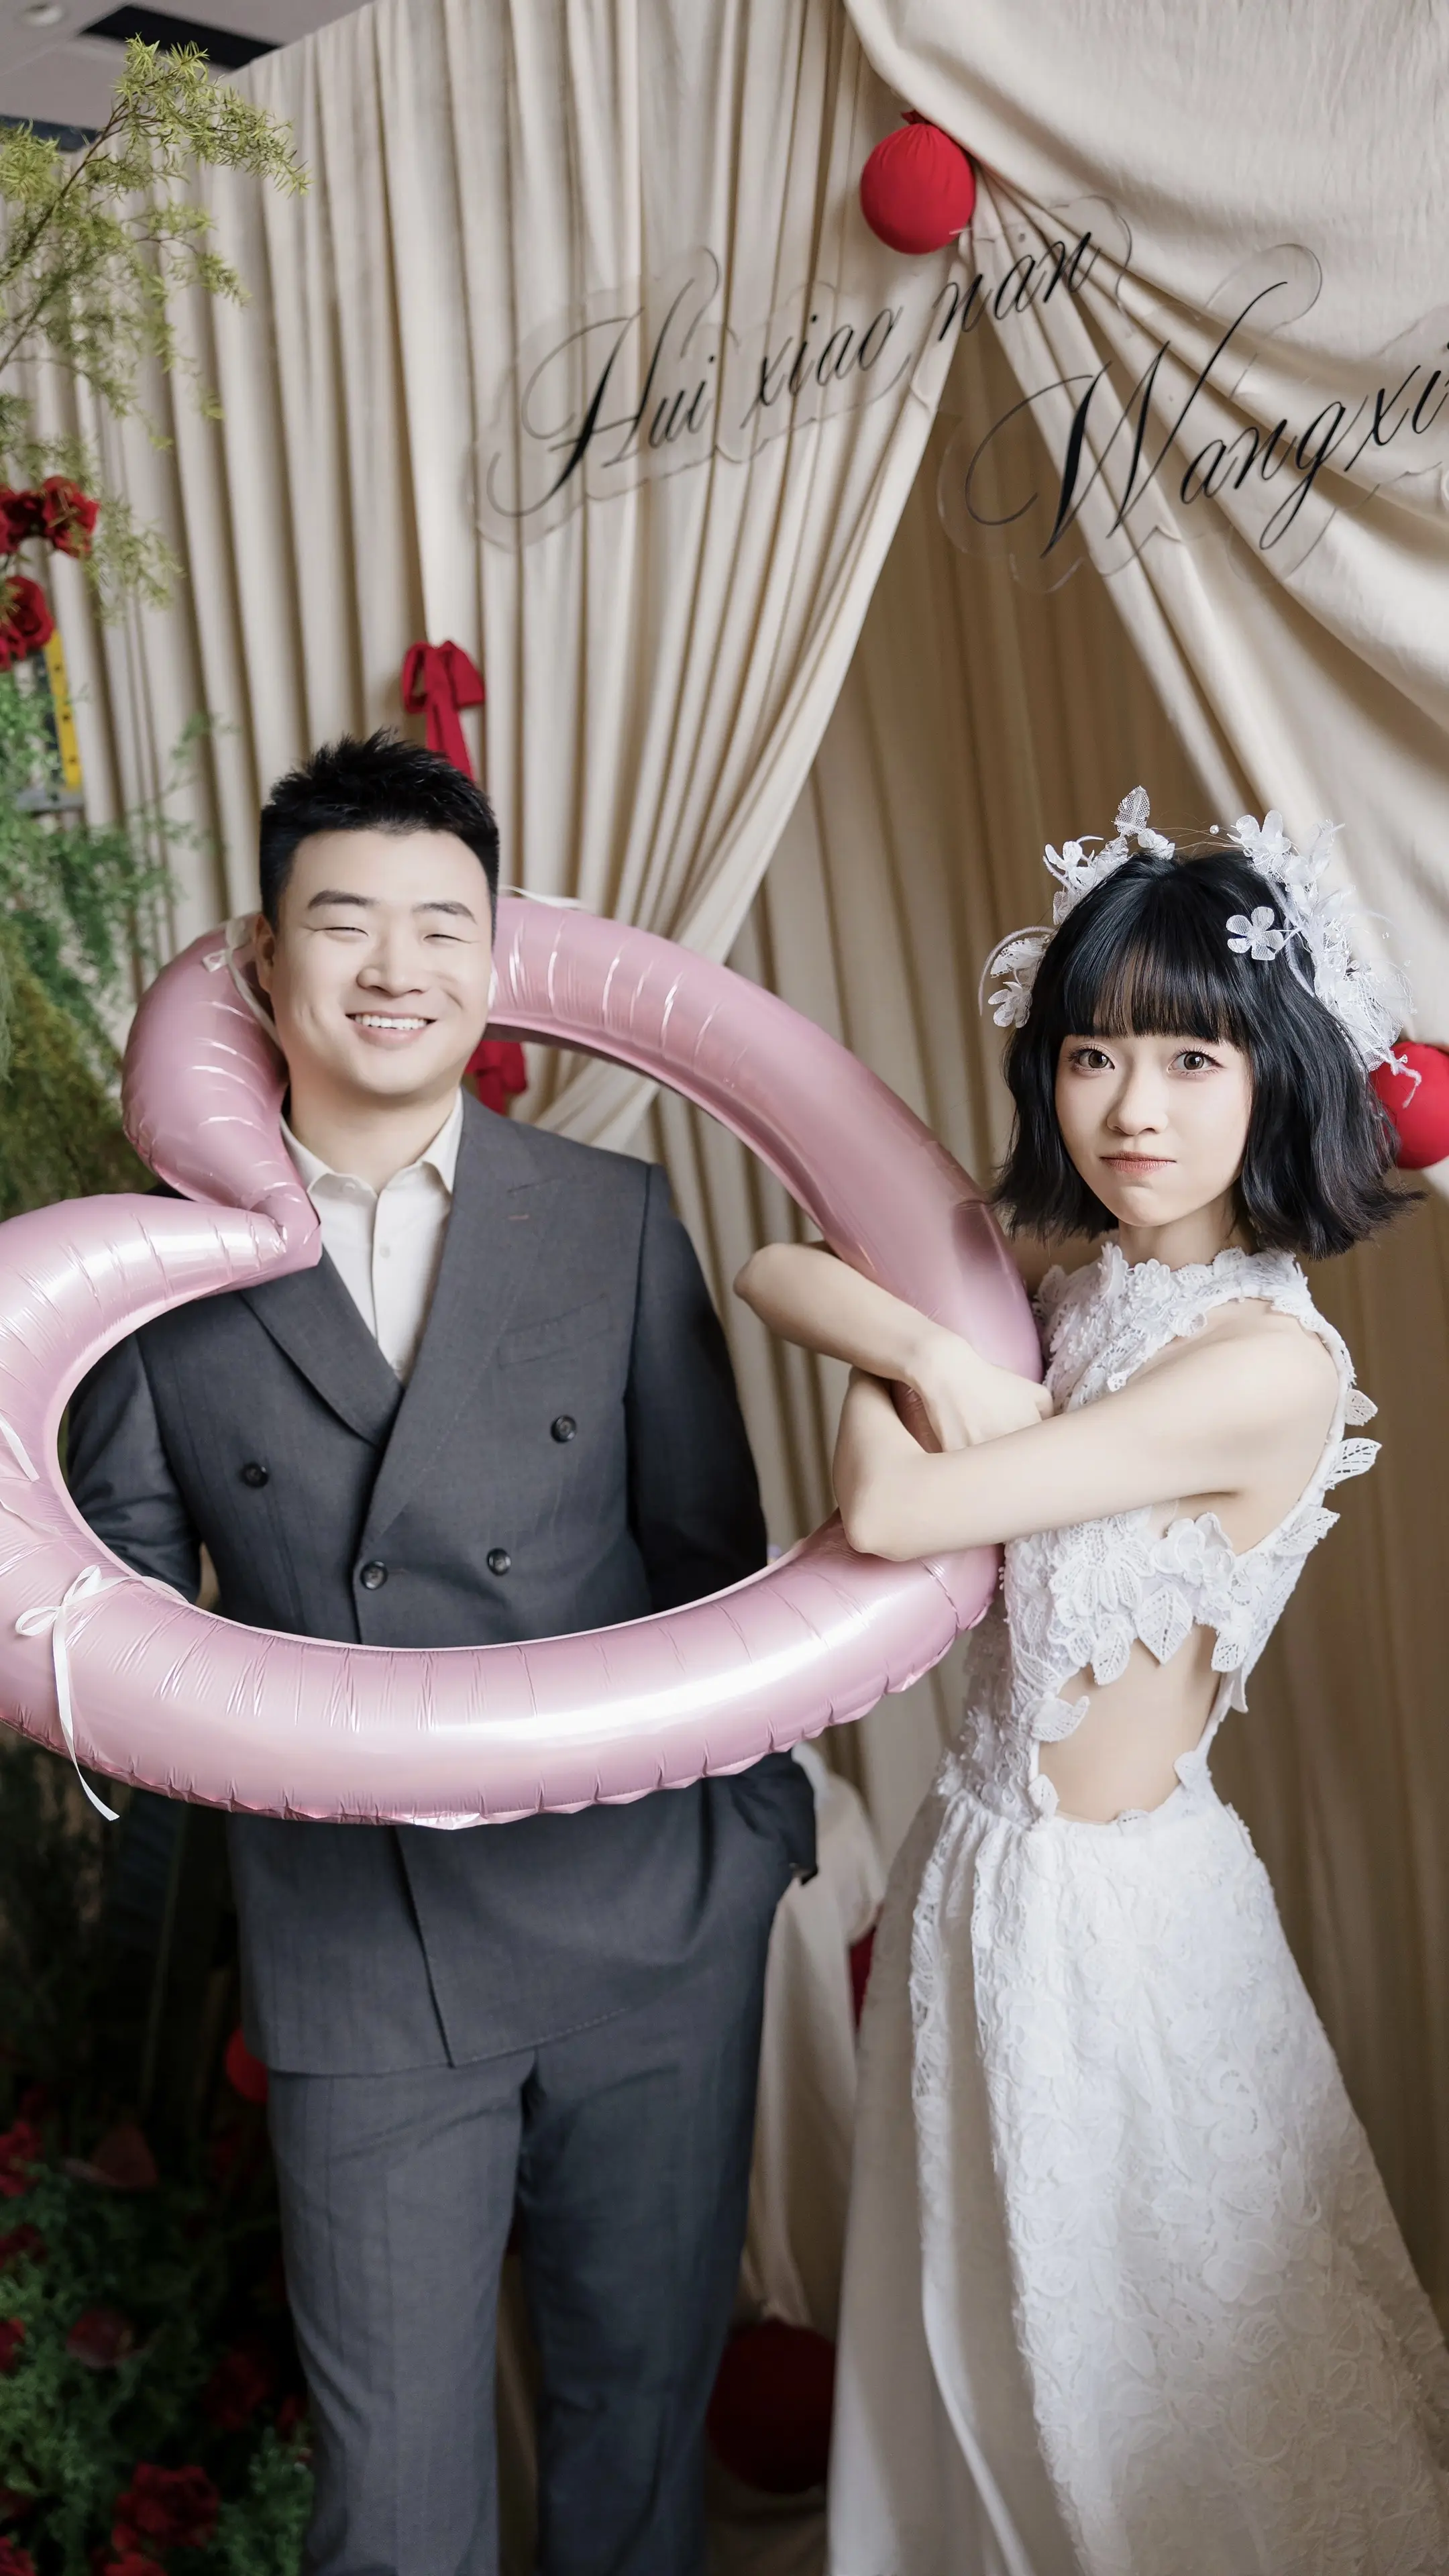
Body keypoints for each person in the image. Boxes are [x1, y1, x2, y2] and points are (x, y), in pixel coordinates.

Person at [66, 731, 815, 2576]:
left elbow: (716, 1566)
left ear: (494, 957)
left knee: (638, 2451)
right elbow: (124, 1633)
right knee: (392, 2511)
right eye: (344, 923)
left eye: (440, 924)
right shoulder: (153, 1274)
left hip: (648, 1924)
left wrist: (748, 1849)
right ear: (263, 960)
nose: (395, 967)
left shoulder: (613, 1218)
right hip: (358, 1955)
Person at [737, 792, 1449, 2576]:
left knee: (1137, 2378)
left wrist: (923, 1366)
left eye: (1194, 1058)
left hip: (1117, 1920)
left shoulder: (1267, 1365)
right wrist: (927, 1339)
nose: (1135, 1107)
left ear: (1277, 1077)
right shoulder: (1075, 1283)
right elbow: (776, 1264)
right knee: (971, 2339)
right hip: (974, 1867)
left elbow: (890, 1511)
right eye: (1093, 1054)